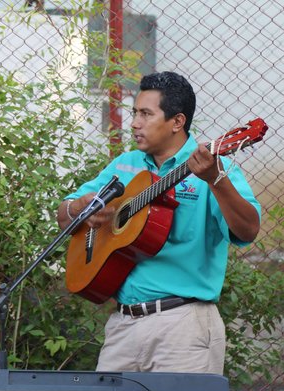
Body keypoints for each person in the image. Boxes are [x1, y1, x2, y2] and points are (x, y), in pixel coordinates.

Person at [57, 71, 261, 374]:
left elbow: (248, 229)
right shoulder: (124, 164)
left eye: (145, 114)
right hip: (122, 326)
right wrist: (78, 208)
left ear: (177, 122)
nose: (135, 123)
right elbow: (64, 216)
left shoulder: (212, 168)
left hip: (184, 326)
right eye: (134, 113)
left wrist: (215, 180)